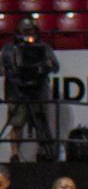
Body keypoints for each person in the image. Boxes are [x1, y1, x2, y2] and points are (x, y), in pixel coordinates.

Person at [2, 17, 60, 162]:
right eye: (26, 31)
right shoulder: (10, 49)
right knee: (17, 124)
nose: (29, 34)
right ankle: (14, 154)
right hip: (17, 92)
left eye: (32, 31)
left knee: (40, 123)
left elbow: (55, 67)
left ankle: (44, 152)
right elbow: (4, 68)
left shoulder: (44, 48)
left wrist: (45, 67)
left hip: (38, 92)